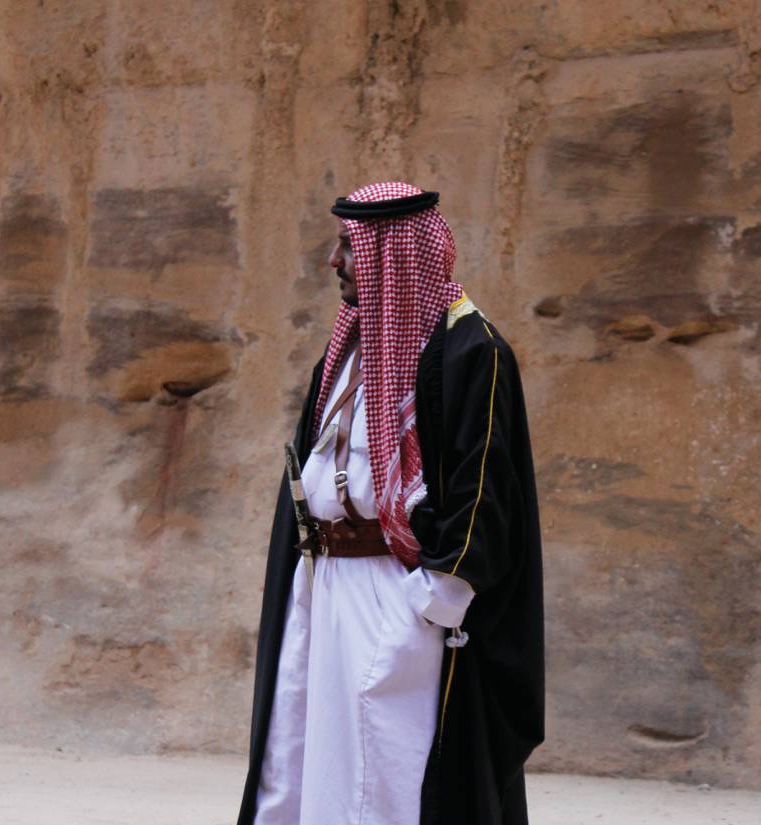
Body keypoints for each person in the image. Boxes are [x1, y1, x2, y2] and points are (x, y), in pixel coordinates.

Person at [237, 181, 544, 825]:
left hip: (397, 593)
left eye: (349, 244)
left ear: (393, 252)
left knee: (390, 765)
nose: (335, 261)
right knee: (305, 753)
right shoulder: (349, 345)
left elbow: (484, 489)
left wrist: (432, 603)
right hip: (324, 586)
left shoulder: (471, 351)